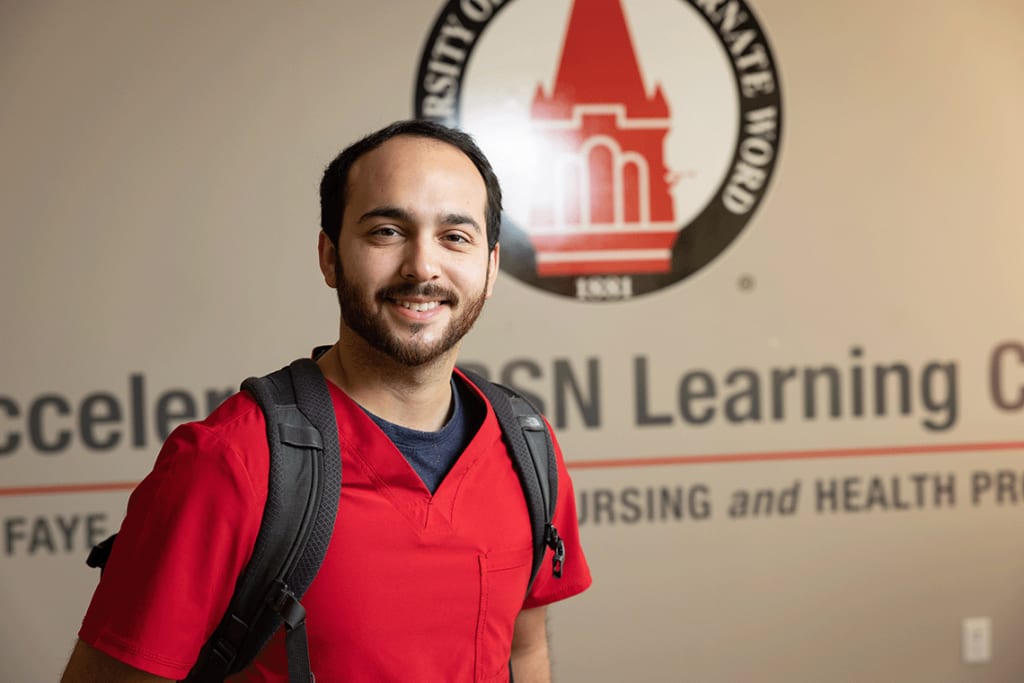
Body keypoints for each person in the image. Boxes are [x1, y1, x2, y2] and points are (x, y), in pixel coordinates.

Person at [60, 120, 592, 682]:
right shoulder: (230, 461)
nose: (422, 266)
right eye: (387, 231)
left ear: (490, 267)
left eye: (454, 236)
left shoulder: (526, 444)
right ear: (330, 256)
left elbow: (523, 651)